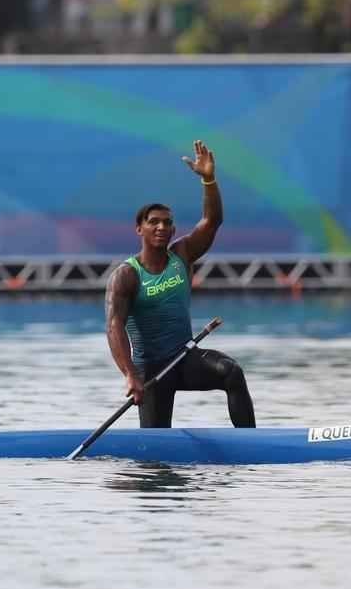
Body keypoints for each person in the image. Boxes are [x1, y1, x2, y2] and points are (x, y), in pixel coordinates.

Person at [105, 140, 256, 428]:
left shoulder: (182, 255)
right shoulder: (126, 275)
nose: (161, 227)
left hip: (185, 358)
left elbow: (212, 221)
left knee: (231, 373)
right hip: (151, 369)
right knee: (154, 456)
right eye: (154, 222)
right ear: (140, 229)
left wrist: (208, 180)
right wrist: (130, 374)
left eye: (167, 223)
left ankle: (251, 443)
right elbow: (114, 327)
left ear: (173, 229)